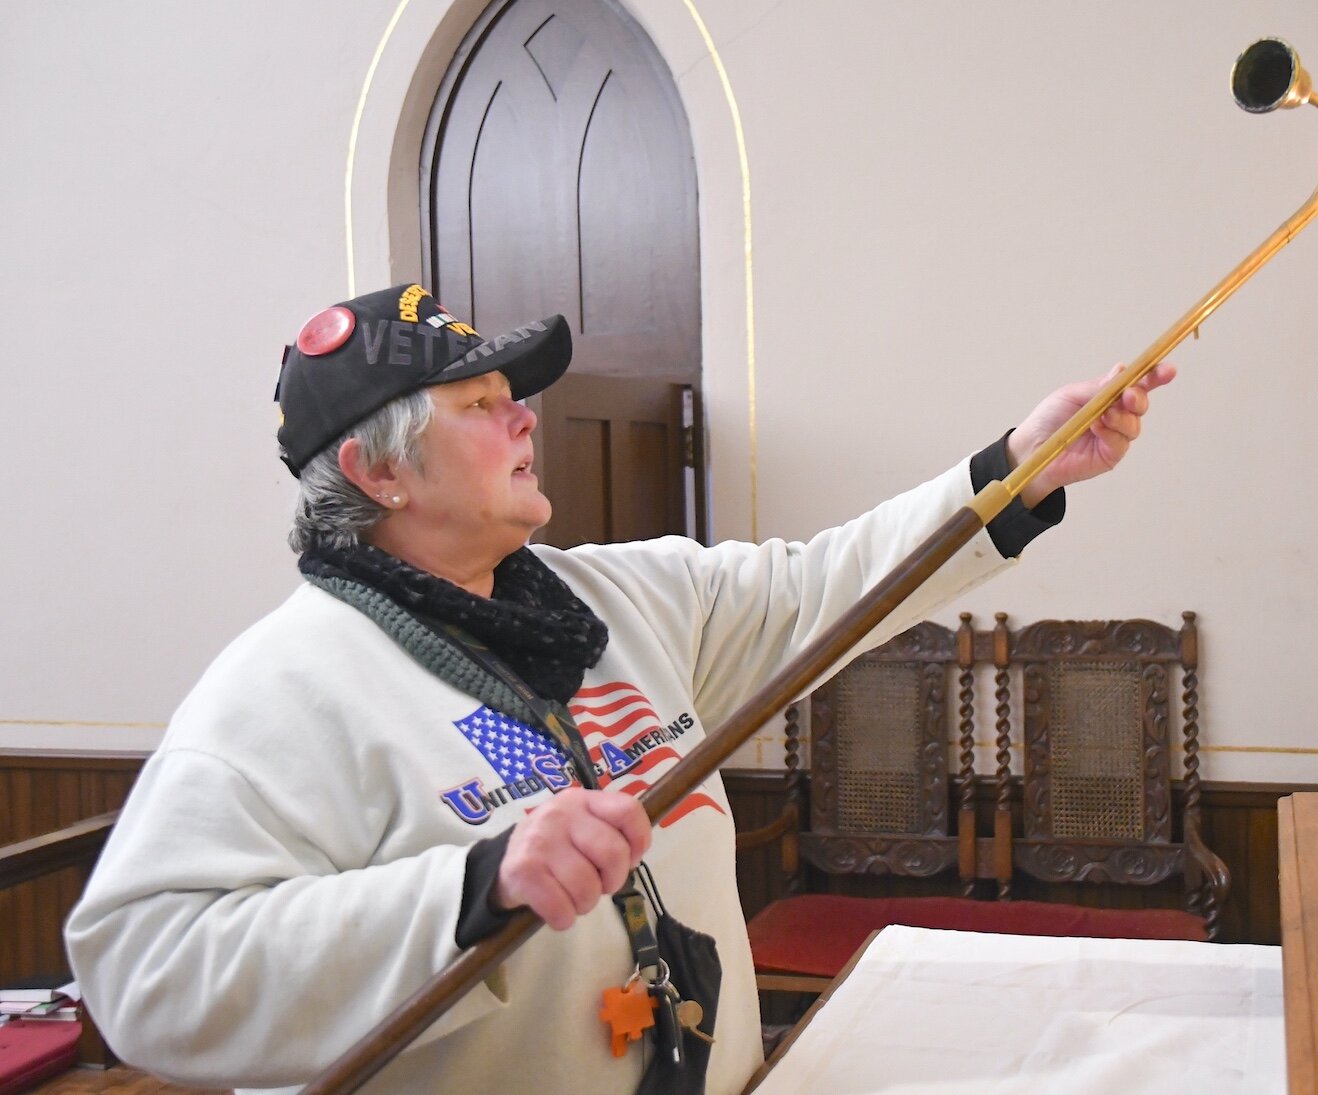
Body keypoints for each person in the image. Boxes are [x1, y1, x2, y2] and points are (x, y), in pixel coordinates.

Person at [65, 283, 1174, 1095]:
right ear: (378, 469)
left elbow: (821, 586)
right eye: (480, 402)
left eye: (516, 396)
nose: (526, 418)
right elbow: (145, 975)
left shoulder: (623, 600)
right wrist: (466, 888)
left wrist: (1016, 470)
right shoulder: (279, 689)